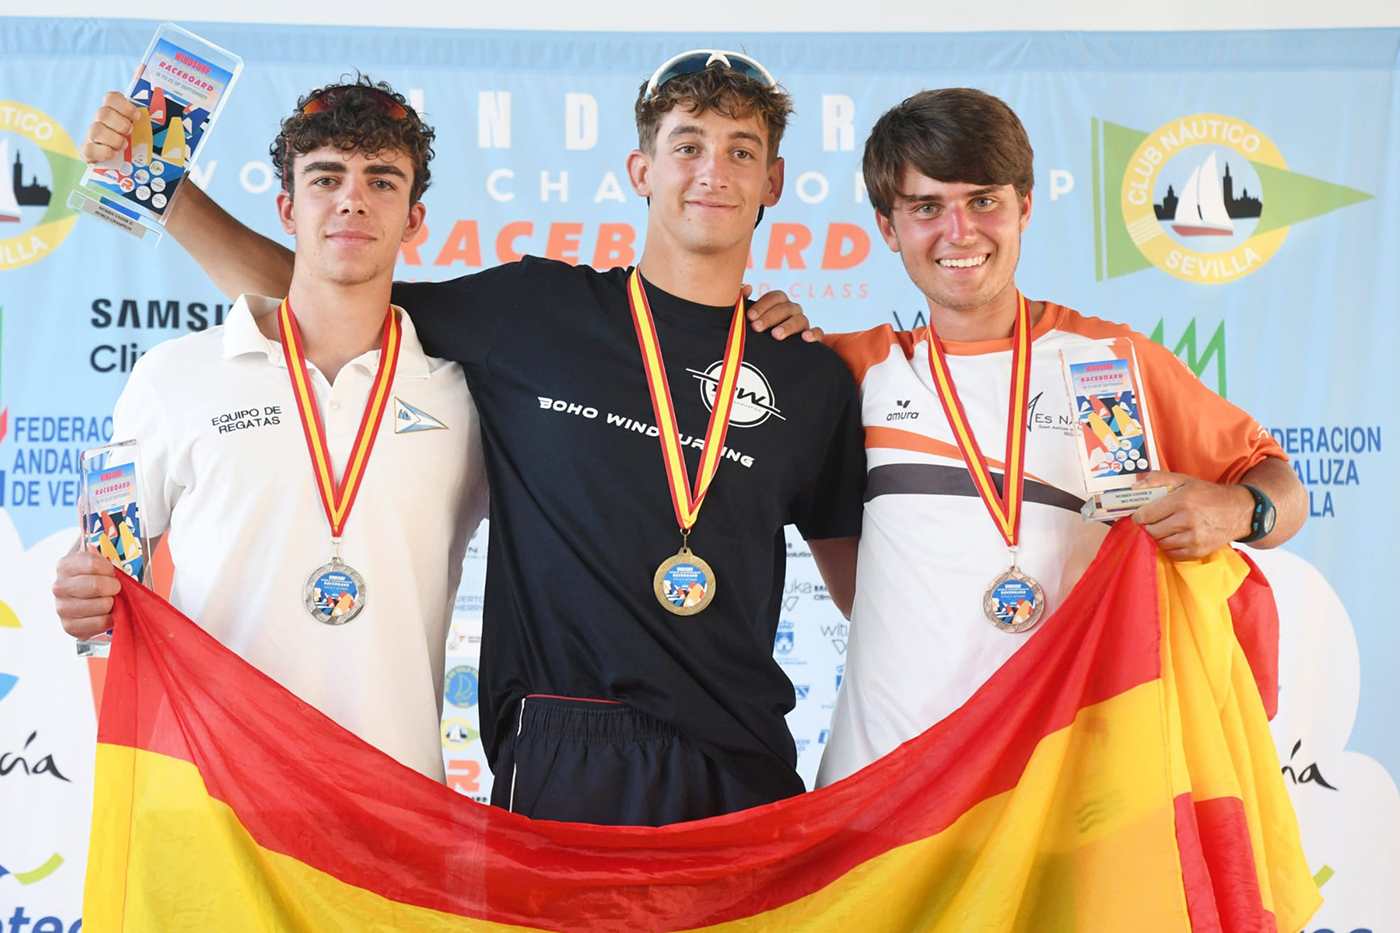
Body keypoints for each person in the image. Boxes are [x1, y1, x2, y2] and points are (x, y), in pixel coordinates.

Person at [66, 53, 863, 826]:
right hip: (556, 754)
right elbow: (334, 288)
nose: (713, 171)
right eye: (687, 145)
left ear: (774, 182)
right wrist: (164, 192)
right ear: (640, 169)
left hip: (739, 760)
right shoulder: (532, 312)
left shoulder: (808, 376)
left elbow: (869, 598)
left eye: (741, 151)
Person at [815, 87, 1306, 786]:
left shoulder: (1110, 360)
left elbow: (1282, 489)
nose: (959, 231)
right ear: (888, 228)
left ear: (1025, 206)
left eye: (983, 200)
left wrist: (1238, 510)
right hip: (892, 789)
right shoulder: (846, 372)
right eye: (926, 207)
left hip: (1069, 789)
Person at [54, 79, 489, 781]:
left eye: (381, 181)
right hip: (214, 794)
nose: (352, 199)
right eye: (326, 178)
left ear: (414, 219)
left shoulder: (465, 399)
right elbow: (103, 571)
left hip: (394, 801)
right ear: (288, 208)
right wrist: (85, 592)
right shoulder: (173, 377)